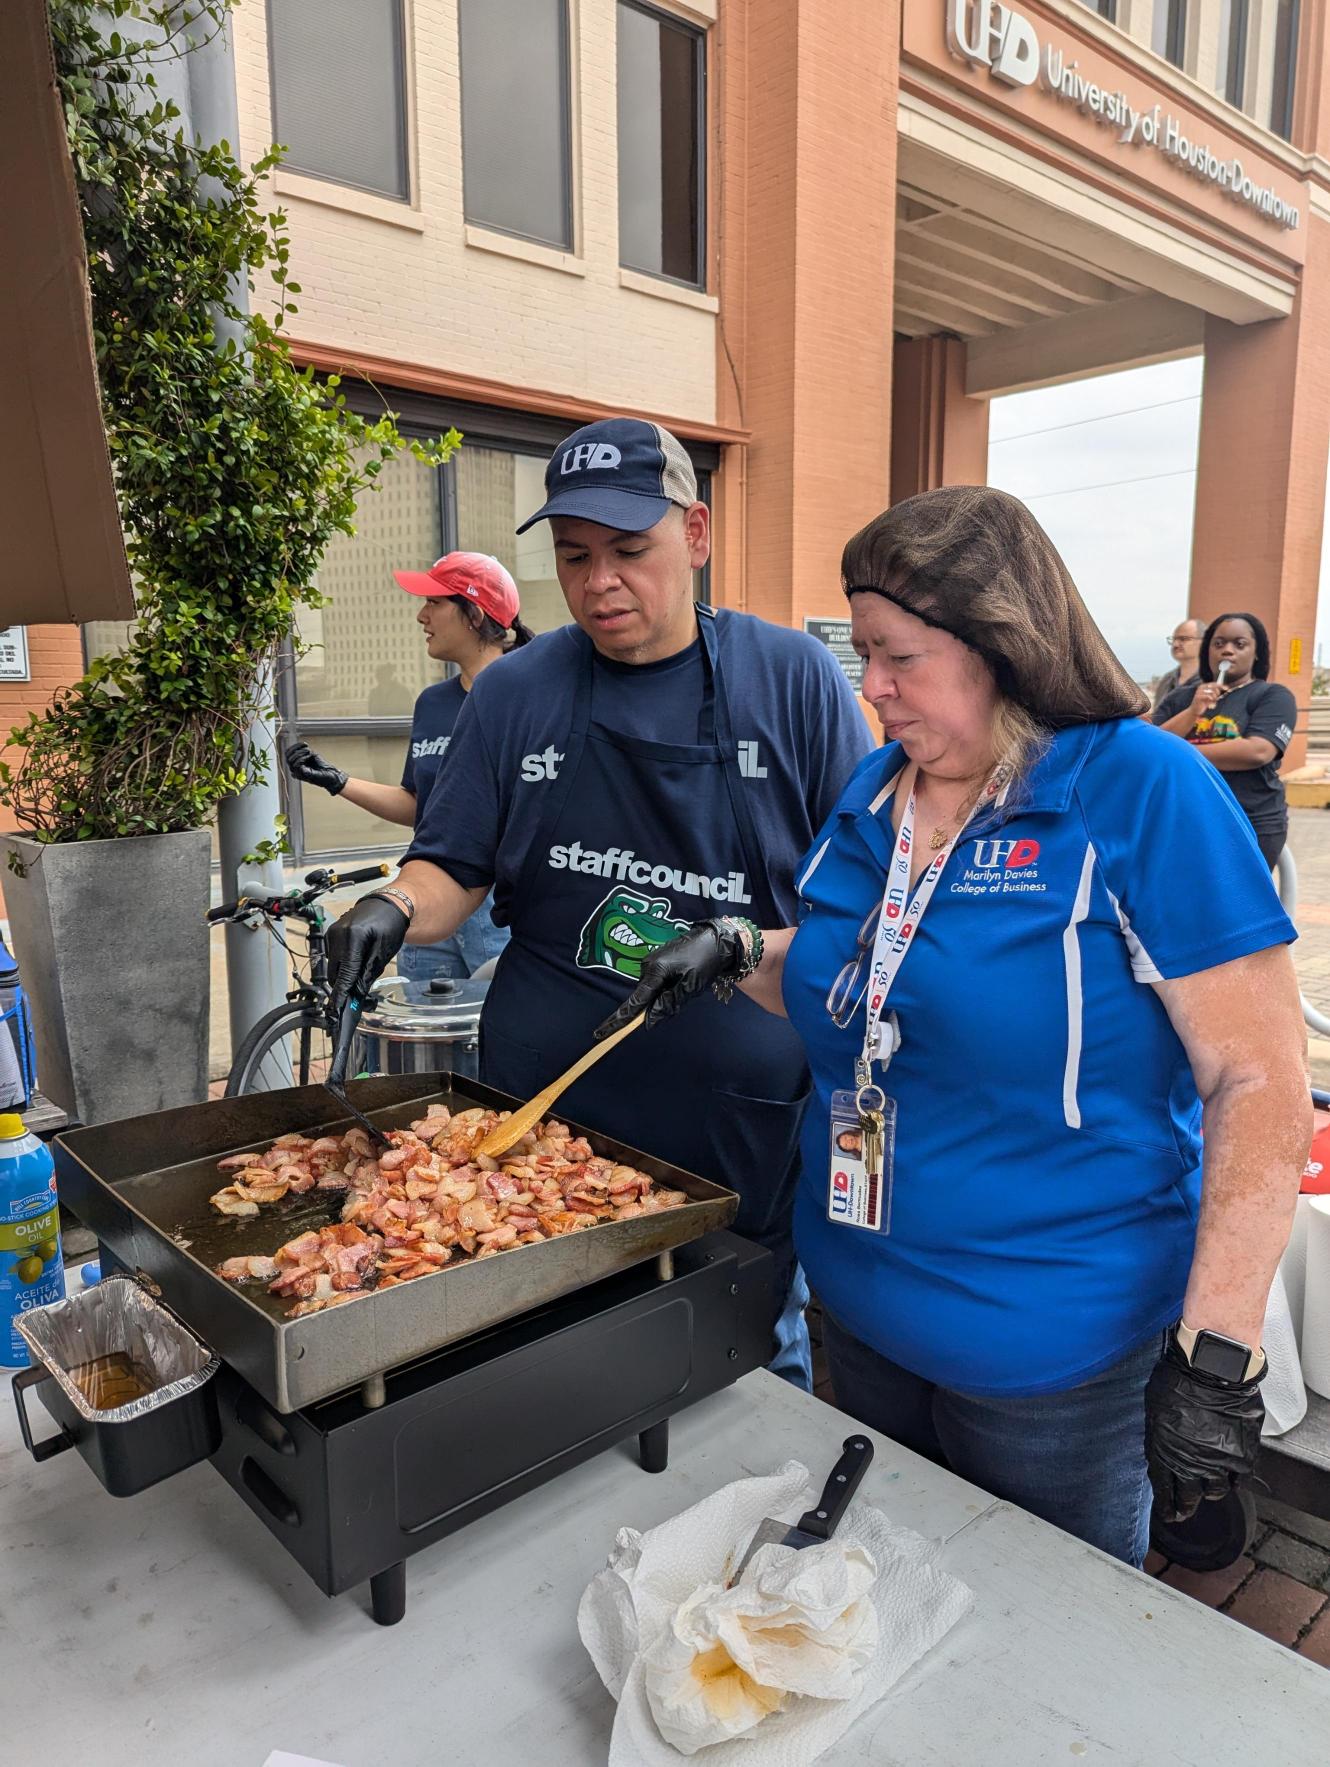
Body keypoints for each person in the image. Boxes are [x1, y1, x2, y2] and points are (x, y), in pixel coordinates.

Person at [599, 486, 1310, 1567]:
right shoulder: (880, 788)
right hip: (865, 1315)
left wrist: (1215, 1361)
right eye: (865, 654)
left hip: (1052, 1353)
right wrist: (743, 952)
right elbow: (859, 974)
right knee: (886, 1602)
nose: (869, 686)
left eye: (897, 657)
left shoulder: (1132, 787)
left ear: (1003, 645)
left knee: (1046, 1658)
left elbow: (1258, 1081)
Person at [324, 417, 874, 1388]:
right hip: (548, 1108)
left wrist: (744, 941)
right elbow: (451, 866)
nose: (600, 581)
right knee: (557, 1363)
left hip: (729, 1117)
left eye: (630, 550)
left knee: (747, 1357)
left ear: (695, 536)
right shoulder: (517, 693)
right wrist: (394, 908)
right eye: (575, 557)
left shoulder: (788, 680)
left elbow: (861, 903)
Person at [284, 552, 534, 985]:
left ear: (473, 613)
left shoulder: (533, 699)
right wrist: (339, 782)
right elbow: (421, 806)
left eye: (434, 602)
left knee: (496, 1043)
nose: (422, 615)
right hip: (427, 896)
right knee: (424, 1043)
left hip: (498, 907)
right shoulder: (433, 703)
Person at [1152, 611, 1297, 871]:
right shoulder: (1180, 699)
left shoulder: (1272, 696)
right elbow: (1152, 748)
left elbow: (1257, 751)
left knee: (1239, 906)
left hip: (1251, 819)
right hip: (1184, 820)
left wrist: (1180, 752)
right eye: (1218, 644)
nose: (1227, 651)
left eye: (1239, 644)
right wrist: (1192, 712)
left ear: (1256, 653)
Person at [1151, 617, 1204, 712]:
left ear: (1204, 642)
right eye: (1173, 639)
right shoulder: (1167, 679)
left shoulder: (1211, 680)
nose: (1175, 645)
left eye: (1183, 639)